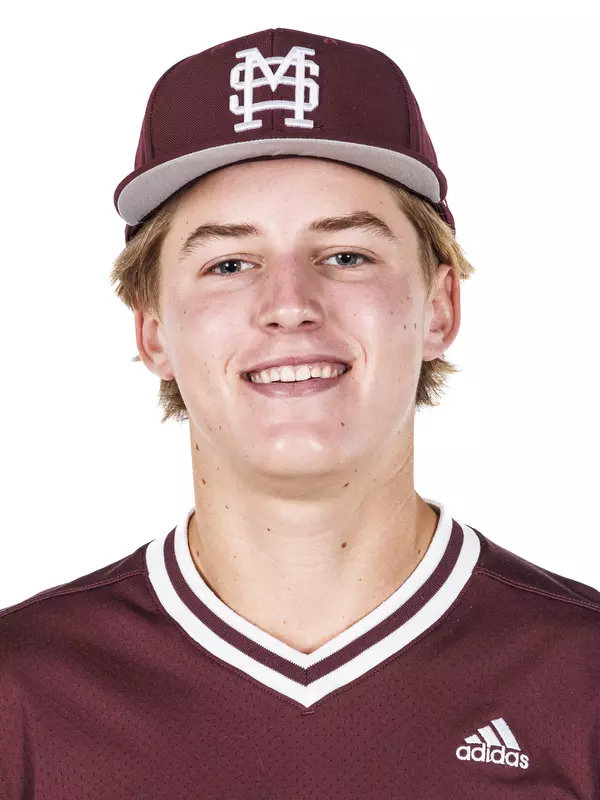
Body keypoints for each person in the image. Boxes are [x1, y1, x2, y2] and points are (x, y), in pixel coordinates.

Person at [1, 27, 598, 799]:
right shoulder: (21, 695)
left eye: (346, 254)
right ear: (152, 330)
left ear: (441, 306)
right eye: (229, 263)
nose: (289, 305)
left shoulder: (581, 683)